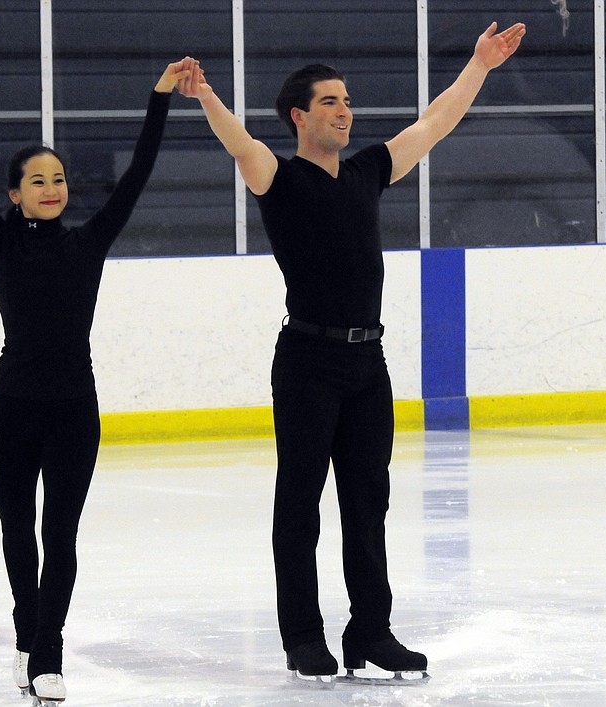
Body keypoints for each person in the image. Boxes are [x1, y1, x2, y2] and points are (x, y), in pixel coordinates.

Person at [177, 21, 525, 680]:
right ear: (299, 117)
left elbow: (433, 124)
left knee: (368, 502)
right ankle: (303, 635)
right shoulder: (277, 178)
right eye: (331, 101)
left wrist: (479, 65)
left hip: (369, 364)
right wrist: (207, 97)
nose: (346, 110)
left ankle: (371, 630)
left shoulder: (366, 170)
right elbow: (239, 143)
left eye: (347, 100)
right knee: (300, 503)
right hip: (307, 362)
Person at [0, 42, 192, 703]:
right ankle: (26, 630)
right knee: (16, 531)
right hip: (11, 411)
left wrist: (159, 95)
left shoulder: (90, 243)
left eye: (58, 178)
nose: (52, 188)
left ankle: (48, 653)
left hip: (73, 410)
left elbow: (138, 174)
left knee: (59, 533)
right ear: (15, 193)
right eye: (38, 180)